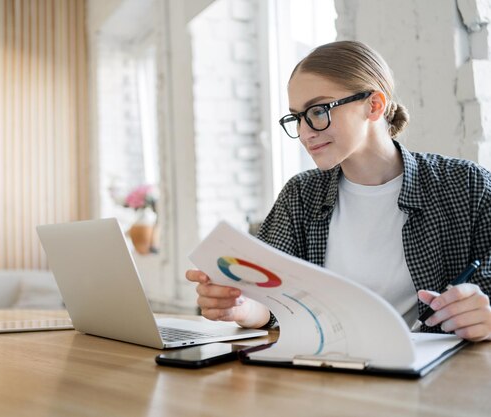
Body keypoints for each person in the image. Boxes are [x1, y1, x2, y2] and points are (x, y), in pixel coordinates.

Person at [186, 40, 491, 342]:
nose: (305, 133)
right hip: (327, 373)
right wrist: (239, 307)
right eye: (297, 117)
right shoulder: (301, 195)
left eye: (317, 112)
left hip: (436, 381)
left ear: (374, 105)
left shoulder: (467, 185)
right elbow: (270, 303)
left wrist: (484, 315)